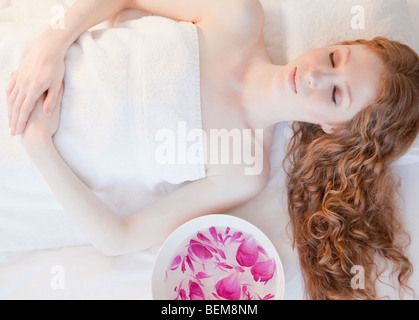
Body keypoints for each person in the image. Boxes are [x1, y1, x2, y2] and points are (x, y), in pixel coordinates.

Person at [5, 0, 419, 300]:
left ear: (333, 127)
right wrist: (51, 45)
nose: (313, 74)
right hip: (20, 61)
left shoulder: (244, 170)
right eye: (334, 57)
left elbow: (119, 238)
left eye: (333, 95)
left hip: (19, 160)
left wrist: (38, 145)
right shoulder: (239, 16)